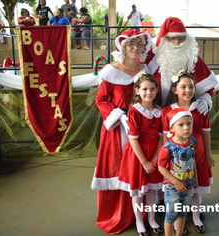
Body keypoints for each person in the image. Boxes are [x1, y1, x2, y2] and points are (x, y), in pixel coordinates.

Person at [90, 29, 152, 235]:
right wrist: (119, 115)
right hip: (117, 130)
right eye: (130, 44)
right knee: (117, 170)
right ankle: (117, 214)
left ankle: (142, 215)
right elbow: (100, 100)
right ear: (123, 46)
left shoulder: (147, 69)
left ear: (144, 47)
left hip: (141, 130)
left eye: (139, 44)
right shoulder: (110, 71)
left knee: (140, 170)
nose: (135, 48)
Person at [162, 71, 214, 234]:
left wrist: (207, 155)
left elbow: (206, 132)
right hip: (176, 157)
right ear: (174, 90)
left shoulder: (200, 107)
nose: (187, 90)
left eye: (191, 87)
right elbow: (165, 137)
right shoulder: (167, 111)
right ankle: (176, 222)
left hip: (196, 154)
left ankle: (196, 216)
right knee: (176, 190)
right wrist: (166, 158)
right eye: (183, 87)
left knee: (195, 188)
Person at [117, 73, 164, 236]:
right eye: (144, 89)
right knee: (138, 191)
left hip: (153, 156)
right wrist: (144, 162)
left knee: (151, 190)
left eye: (152, 89)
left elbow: (161, 138)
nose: (148, 92)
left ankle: (151, 219)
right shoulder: (134, 112)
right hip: (138, 157)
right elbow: (133, 140)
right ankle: (139, 221)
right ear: (137, 91)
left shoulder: (159, 111)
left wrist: (155, 159)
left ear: (157, 90)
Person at [144, 17, 217, 113]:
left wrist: (205, 99)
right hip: (154, 112)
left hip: (183, 115)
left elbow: (208, 85)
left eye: (181, 38)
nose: (177, 43)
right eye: (172, 38)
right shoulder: (152, 56)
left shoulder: (192, 57)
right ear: (165, 39)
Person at [158, 108, 197, 236]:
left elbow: (192, 160)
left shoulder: (192, 141)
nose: (186, 127)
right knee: (171, 214)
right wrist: (176, 183)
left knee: (183, 212)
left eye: (188, 123)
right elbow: (161, 167)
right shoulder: (168, 147)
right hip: (172, 187)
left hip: (188, 185)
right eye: (181, 124)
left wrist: (194, 178)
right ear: (172, 128)